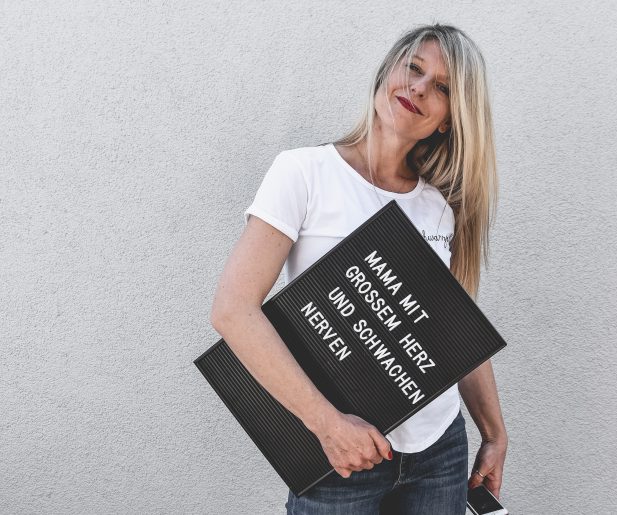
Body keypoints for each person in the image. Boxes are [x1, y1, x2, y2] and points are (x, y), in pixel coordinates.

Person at [209, 23, 507, 514]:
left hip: (440, 451)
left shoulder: (439, 207)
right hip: (342, 456)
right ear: (385, 74)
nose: (418, 88)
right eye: (413, 68)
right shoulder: (304, 172)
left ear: (450, 120)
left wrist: (494, 433)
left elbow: (454, 331)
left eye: (441, 87)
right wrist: (326, 425)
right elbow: (233, 310)